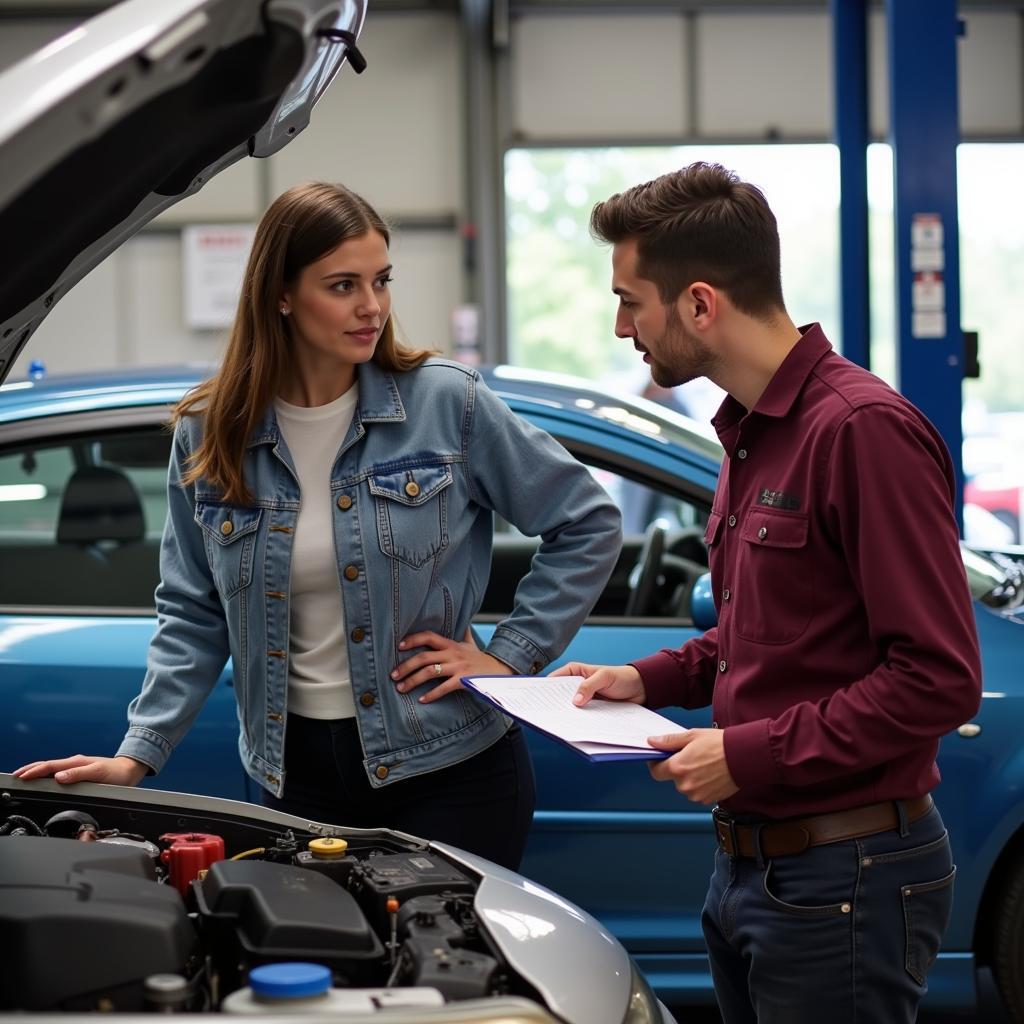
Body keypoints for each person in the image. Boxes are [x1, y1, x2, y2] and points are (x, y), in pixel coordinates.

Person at [14, 181, 622, 871]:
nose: (372, 306)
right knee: (319, 969)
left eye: (381, 280)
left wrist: (511, 656)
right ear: (281, 293)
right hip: (292, 778)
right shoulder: (209, 434)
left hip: (450, 769)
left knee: (450, 975)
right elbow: (191, 611)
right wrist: (136, 756)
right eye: (343, 286)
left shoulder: (446, 404)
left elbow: (587, 521)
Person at [554, 161, 982, 1022]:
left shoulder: (860, 433)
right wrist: (650, 678)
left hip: (845, 876)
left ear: (701, 304)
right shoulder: (751, 436)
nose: (621, 326)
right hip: (760, 870)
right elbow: (777, 632)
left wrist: (743, 755)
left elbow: (937, 678)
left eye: (632, 300)